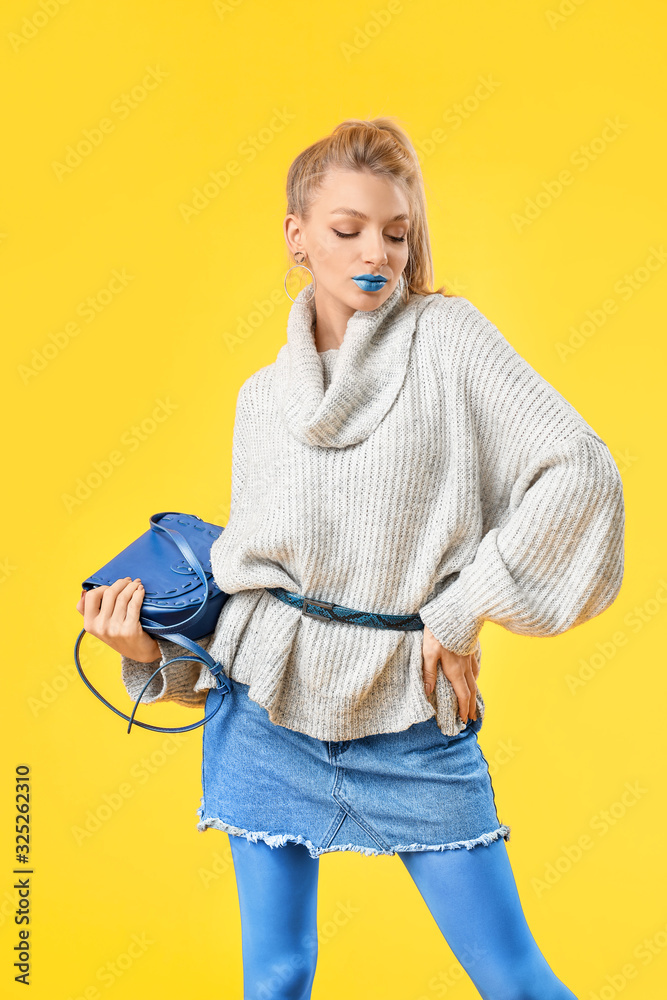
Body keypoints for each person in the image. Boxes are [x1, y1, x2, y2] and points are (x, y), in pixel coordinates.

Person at [76, 118, 625, 999]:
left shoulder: (449, 340)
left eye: (396, 233)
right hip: (259, 722)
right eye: (347, 229)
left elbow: (580, 470)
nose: (377, 251)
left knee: (513, 978)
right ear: (297, 239)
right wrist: (151, 660)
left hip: (406, 709)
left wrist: (458, 608)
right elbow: (252, 598)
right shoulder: (260, 400)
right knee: (278, 976)